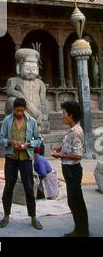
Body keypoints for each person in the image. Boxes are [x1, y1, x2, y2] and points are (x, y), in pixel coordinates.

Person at [0, 97, 43, 230]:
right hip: (11, 158)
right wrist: (11, 142)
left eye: (21, 111)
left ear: (25, 110)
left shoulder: (32, 121)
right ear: (13, 109)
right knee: (8, 187)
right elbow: (1, 138)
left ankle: (33, 217)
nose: (19, 113)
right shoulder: (7, 120)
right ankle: (6, 216)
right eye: (17, 110)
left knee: (29, 188)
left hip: (26, 158)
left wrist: (29, 144)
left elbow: (38, 139)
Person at [52, 100, 89, 237]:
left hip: (73, 170)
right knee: (74, 200)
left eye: (64, 113)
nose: (63, 116)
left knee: (75, 201)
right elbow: (71, 147)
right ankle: (81, 229)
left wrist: (60, 155)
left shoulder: (76, 132)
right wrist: (60, 148)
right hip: (68, 170)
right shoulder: (71, 131)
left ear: (71, 115)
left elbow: (78, 155)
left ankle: (81, 230)